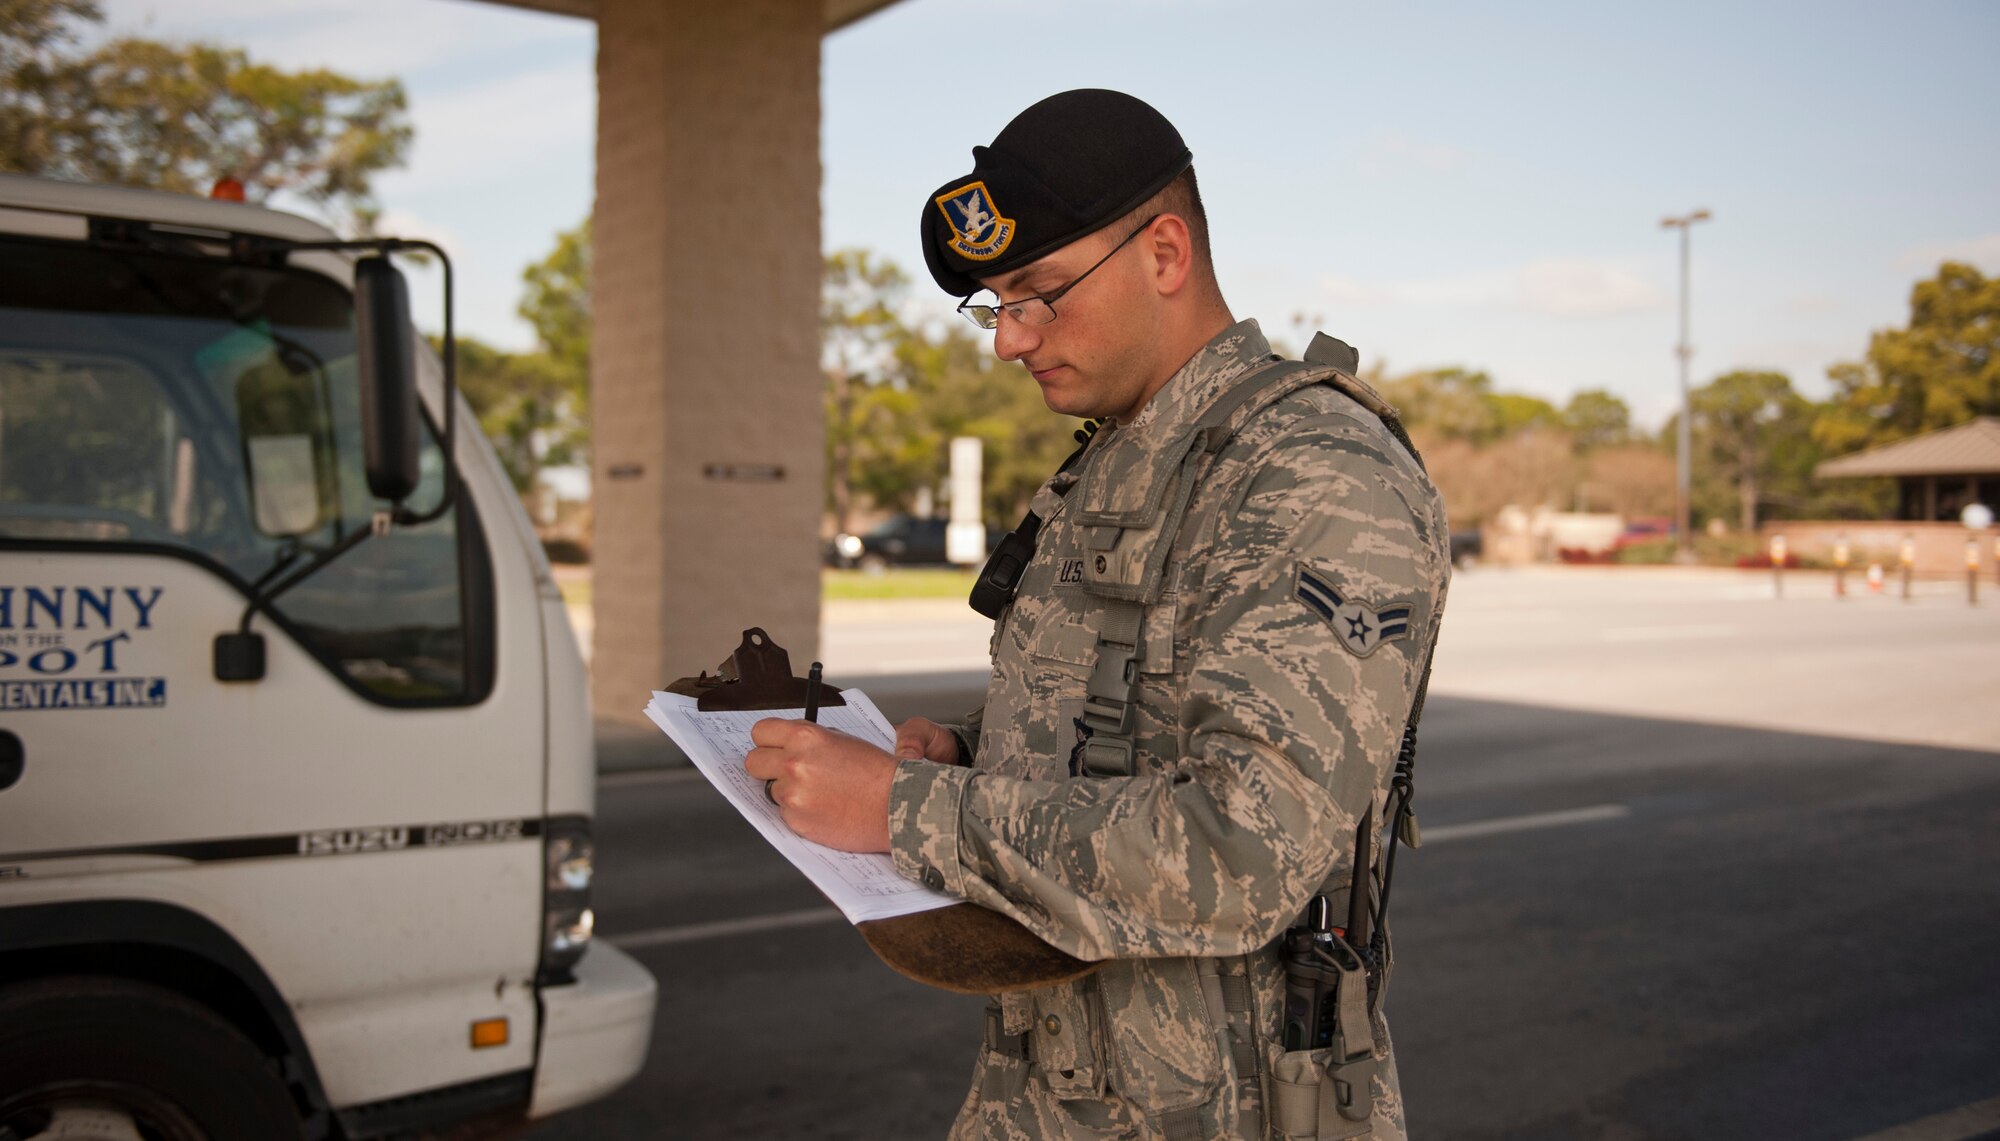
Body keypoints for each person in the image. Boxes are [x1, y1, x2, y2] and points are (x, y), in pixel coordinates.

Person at [746, 89, 1449, 1140]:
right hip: (1049, 1094)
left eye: (1036, 294)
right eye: (993, 305)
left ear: (1164, 253)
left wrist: (903, 809)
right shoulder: (1125, 457)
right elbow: (1131, 725)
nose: (1007, 341)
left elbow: (1241, 852)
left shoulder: (1312, 471)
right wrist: (970, 756)